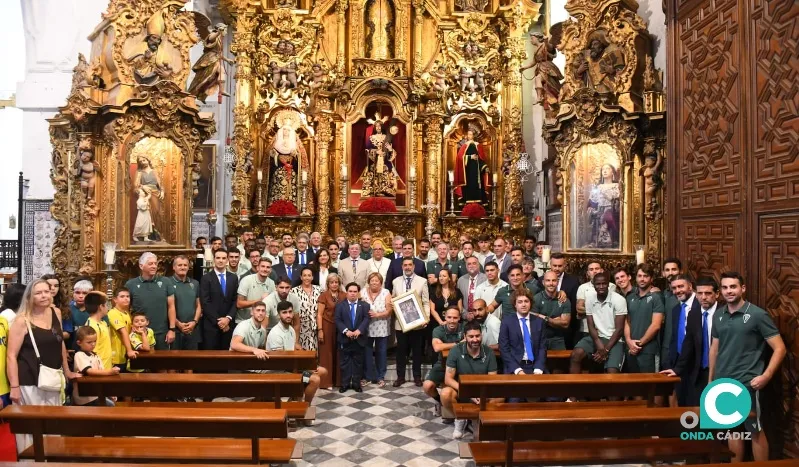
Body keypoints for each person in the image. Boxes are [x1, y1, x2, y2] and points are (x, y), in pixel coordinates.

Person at [710, 272, 786, 462]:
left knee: (755, 431)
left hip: (747, 383)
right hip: (723, 382)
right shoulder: (719, 315)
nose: (729, 291)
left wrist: (766, 376)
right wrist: (711, 380)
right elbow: (714, 350)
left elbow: (780, 348)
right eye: (725, 287)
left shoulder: (757, 315)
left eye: (733, 287)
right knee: (732, 431)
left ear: (742, 288)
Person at [7, 280, 79, 452]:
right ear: (30, 296)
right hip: (29, 379)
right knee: (32, 424)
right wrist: (15, 386)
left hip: (52, 377)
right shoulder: (21, 320)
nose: (44, 295)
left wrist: (67, 370)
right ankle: (31, 459)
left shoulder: (56, 312)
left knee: (53, 422)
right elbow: (11, 355)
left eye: (46, 291)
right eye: (38, 293)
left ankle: (52, 458)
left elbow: (60, 342)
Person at [660, 276, 718, 406]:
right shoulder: (691, 313)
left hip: (719, 369)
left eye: (707, 293)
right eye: (674, 288)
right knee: (691, 408)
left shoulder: (722, 314)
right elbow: (688, 341)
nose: (703, 297)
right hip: (695, 368)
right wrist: (677, 368)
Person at [263, 301, 329, 404]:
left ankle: (296, 395)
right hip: (280, 371)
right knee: (315, 380)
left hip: (291, 366)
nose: (288, 315)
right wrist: (301, 368)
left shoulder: (291, 330)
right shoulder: (276, 333)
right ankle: (305, 405)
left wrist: (306, 364)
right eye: (284, 312)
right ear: (278, 315)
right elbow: (279, 360)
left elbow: (293, 349)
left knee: (322, 371)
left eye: (290, 312)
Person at [443, 321, 499, 439]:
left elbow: (492, 378)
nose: (475, 339)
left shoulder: (489, 352)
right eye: (471, 336)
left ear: (481, 335)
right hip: (462, 389)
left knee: (500, 397)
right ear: (465, 337)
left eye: (477, 336)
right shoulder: (455, 351)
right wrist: (468, 392)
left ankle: (480, 420)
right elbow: (448, 379)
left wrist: (481, 394)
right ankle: (460, 418)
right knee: (445, 394)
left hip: (483, 391)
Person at [570, 273, 627, 378]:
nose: (601, 287)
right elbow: (590, 325)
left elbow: (619, 329)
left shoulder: (619, 300)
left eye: (604, 284)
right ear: (594, 285)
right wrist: (599, 344)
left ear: (608, 285)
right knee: (576, 354)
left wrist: (605, 350)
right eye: (598, 284)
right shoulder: (590, 300)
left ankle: (612, 394)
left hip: (614, 339)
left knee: (612, 372)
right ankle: (575, 393)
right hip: (596, 337)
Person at [124, 252, 176, 350]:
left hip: (162, 332)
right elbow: (126, 308)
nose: (154, 266)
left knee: (162, 363)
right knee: (142, 364)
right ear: (141, 265)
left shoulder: (166, 282)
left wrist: (172, 329)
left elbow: (171, 306)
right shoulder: (131, 284)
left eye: (155, 263)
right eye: (150, 263)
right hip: (139, 333)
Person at [391, 257, 430, 387]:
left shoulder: (422, 281)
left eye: (410, 265)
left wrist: (426, 318)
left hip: (417, 324)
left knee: (417, 351)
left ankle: (417, 377)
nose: (407, 267)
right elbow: (393, 300)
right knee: (401, 350)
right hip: (400, 324)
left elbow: (425, 302)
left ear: (414, 266)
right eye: (405, 265)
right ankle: (400, 377)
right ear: (402, 266)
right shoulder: (395, 281)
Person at [423, 307, 464, 420]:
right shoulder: (438, 330)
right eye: (449, 317)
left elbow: (469, 344)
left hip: (461, 364)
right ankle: (439, 402)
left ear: (459, 318)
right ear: (445, 317)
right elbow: (437, 347)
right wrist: (458, 343)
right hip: (442, 363)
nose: (452, 320)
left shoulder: (464, 328)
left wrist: (445, 345)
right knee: (427, 385)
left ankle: (458, 410)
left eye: (455, 317)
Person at [498, 288, 547, 382]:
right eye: (520, 302)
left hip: (535, 366)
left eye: (526, 301)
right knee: (515, 397)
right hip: (516, 366)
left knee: (553, 396)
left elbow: (542, 348)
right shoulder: (506, 322)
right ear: (515, 305)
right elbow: (504, 349)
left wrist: (538, 368)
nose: (523, 304)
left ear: (530, 303)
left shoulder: (539, 322)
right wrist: (517, 370)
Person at [665, 274, 699, 406]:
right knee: (683, 402)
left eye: (681, 286)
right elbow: (674, 337)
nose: (677, 291)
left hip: (697, 363)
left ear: (690, 286)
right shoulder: (676, 309)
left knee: (696, 403)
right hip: (679, 362)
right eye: (674, 288)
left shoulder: (701, 305)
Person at [624, 264, 664, 374]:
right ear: (635, 277)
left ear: (651, 278)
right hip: (631, 348)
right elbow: (627, 321)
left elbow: (656, 325)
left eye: (645, 276)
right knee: (632, 384)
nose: (642, 279)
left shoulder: (657, 297)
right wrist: (629, 341)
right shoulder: (630, 297)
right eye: (639, 276)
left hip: (648, 350)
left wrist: (639, 344)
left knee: (649, 386)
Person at [199, 248, 239, 350]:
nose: (220, 260)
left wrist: (228, 318)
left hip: (229, 325)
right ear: (214, 259)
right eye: (218, 258)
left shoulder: (233, 278)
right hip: (211, 326)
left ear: (227, 260)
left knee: (227, 359)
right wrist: (220, 322)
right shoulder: (206, 278)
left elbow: (235, 300)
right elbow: (205, 302)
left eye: (223, 258)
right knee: (210, 359)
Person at [335, 283, 370, 393]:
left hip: (359, 339)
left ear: (358, 293)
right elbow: (337, 320)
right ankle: (345, 384)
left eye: (355, 291)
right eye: (350, 291)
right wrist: (346, 331)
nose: (353, 293)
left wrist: (359, 330)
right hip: (345, 339)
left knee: (358, 362)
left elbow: (366, 319)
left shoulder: (364, 305)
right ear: (347, 292)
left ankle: (356, 384)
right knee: (344, 363)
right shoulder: (340, 305)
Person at [72, 326, 119, 406]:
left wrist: (109, 392)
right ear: (79, 343)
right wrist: (110, 371)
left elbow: (102, 375)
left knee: (112, 405)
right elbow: (89, 371)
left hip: (97, 394)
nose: (93, 344)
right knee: (110, 406)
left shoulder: (95, 356)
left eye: (95, 341)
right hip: (86, 398)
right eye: (89, 342)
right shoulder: (79, 355)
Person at [361, 272, 392, 387]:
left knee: (381, 353)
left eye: (376, 280)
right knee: (367, 353)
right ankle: (367, 377)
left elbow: (389, 311)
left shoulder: (386, 293)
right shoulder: (363, 292)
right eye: (372, 280)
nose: (374, 282)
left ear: (381, 282)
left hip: (381, 327)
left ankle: (380, 377)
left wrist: (377, 315)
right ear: (369, 282)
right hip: (366, 328)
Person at [576, 262, 618, 342]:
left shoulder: (611, 286)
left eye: (597, 269)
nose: (594, 271)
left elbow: (611, 308)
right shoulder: (582, 287)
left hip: (606, 330)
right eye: (591, 269)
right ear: (588, 273)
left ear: (601, 270)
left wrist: (588, 308)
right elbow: (579, 309)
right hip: (586, 330)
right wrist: (601, 309)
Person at [317, 273, 345, 389]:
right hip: (327, 325)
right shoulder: (324, 296)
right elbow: (319, 314)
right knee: (326, 354)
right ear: (328, 284)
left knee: (339, 353)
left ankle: (339, 381)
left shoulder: (344, 295)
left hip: (340, 327)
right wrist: (320, 330)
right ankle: (326, 382)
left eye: (336, 282)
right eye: (332, 282)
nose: (334, 284)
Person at [170, 256, 202, 351]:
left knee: (191, 361)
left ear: (189, 267)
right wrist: (178, 324)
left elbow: (199, 305)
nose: (183, 267)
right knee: (174, 362)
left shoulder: (195, 283)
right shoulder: (167, 282)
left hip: (192, 329)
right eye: (179, 265)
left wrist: (194, 322)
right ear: (174, 267)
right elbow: (166, 307)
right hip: (175, 330)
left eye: (185, 265)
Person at [533, 271, 572, 350]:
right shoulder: (536, 299)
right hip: (539, 338)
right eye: (548, 280)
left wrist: (544, 317)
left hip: (558, 339)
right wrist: (556, 321)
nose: (551, 283)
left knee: (560, 361)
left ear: (557, 282)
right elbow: (534, 323)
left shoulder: (565, 300)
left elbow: (565, 324)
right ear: (543, 282)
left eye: (554, 280)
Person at [659, 257, 683, 376]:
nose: (670, 273)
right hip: (666, 346)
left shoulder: (687, 294)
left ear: (680, 271)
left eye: (674, 269)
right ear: (663, 273)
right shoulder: (662, 294)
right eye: (667, 270)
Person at [453, 129, 490, 206]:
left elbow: (481, 159)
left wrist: (484, 167)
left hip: (477, 172)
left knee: (478, 185)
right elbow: (460, 158)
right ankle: (466, 200)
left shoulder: (478, 145)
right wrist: (470, 157)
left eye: (471, 134)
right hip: (467, 171)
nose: (469, 136)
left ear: (474, 135)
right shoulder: (464, 146)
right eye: (468, 134)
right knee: (468, 185)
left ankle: (479, 202)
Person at [290, 266, 322, 351]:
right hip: (300, 328)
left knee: (316, 354)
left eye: (309, 275)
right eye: (304, 275)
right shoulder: (293, 291)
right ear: (301, 277)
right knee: (302, 354)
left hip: (316, 328)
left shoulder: (319, 290)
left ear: (312, 277)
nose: (307, 278)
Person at [237, 259, 276, 324]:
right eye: (262, 266)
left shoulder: (271, 283)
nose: (265, 269)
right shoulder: (246, 280)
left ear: (270, 270)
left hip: (261, 321)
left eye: (268, 267)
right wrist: (259, 301)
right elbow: (239, 304)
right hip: (244, 321)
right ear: (258, 268)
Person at [107, 288, 136, 372]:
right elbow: (123, 332)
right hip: (116, 355)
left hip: (124, 353)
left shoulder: (126, 313)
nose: (126, 298)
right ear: (115, 299)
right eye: (122, 296)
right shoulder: (113, 313)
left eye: (128, 296)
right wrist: (130, 350)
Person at [84, 291, 112, 371]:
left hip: (107, 366)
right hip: (98, 370)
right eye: (106, 305)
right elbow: (90, 351)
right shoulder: (91, 326)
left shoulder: (103, 323)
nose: (108, 308)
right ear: (101, 307)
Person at [457, 256, 487, 320]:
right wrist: (466, 314)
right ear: (466, 266)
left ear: (478, 265)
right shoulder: (461, 280)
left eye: (474, 263)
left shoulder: (486, 279)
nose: (471, 266)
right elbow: (459, 300)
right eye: (469, 264)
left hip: (482, 317)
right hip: (465, 318)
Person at [67, 280, 93, 349]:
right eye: (77, 293)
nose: (81, 296)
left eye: (84, 293)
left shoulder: (96, 310)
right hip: (71, 350)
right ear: (73, 293)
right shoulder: (66, 310)